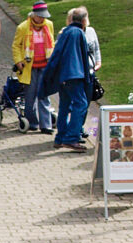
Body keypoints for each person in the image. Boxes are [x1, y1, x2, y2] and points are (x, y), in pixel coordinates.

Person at [43, 8, 89, 153]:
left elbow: (57, 53)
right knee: (81, 104)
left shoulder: (66, 32)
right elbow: (81, 56)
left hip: (63, 76)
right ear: (84, 20)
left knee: (64, 106)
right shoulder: (78, 32)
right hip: (74, 75)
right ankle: (71, 138)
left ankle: (60, 137)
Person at [11, 3, 54, 135]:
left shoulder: (49, 25)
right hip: (29, 68)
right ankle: (32, 122)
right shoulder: (23, 27)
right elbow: (16, 46)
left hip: (45, 66)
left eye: (43, 17)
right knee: (30, 96)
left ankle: (46, 125)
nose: (42, 19)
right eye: (40, 16)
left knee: (44, 95)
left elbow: (52, 43)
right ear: (34, 15)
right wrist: (18, 61)